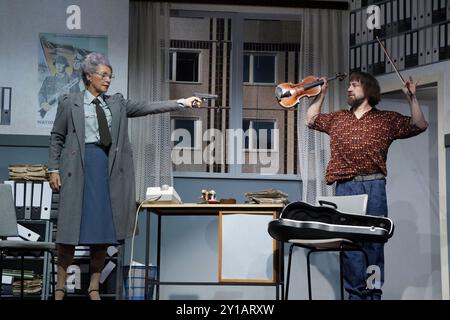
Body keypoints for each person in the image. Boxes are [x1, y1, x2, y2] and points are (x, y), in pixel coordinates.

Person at [48, 52, 202, 300]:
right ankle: (59, 287)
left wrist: (182, 102)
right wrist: (53, 169)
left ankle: (94, 287)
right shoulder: (70, 102)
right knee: (68, 233)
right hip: (76, 170)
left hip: (107, 170)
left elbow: (147, 107)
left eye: (111, 76)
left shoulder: (117, 103)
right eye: (104, 75)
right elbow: (57, 137)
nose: (108, 80)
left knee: (102, 232)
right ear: (89, 76)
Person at [305, 71, 428, 300]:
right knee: (350, 247)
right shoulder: (338, 118)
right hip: (344, 190)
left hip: (374, 188)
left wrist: (412, 98)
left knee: (374, 246)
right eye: (348, 86)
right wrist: (320, 95)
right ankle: (355, 297)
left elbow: (419, 124)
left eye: (354, 85)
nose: (348, 89)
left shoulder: (386, 120)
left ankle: (373, 295)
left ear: (369, 89)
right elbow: (310, 120)